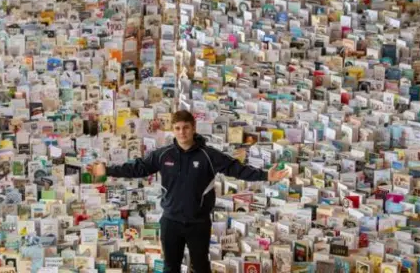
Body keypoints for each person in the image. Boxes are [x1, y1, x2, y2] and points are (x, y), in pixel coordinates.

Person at [90, 110, 291, 273]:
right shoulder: (163, 155)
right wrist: (107, 170)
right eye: (177, 128)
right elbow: (137, 168)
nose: (182, 132)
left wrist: (266, 176)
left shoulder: (208, 155)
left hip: (198, 224)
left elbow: (236, 169)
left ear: (193, 129)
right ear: (173, 130)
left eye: (186, 127)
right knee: (171, 268)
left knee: (201, 267)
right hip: (170, 222)